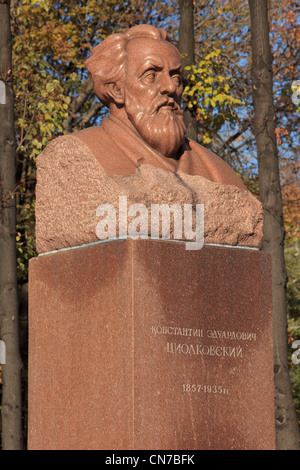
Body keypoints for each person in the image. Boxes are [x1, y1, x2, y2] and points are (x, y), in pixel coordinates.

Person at [72, 24, 245, 189]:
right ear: (116, 90)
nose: (170, 87)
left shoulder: (218, 173)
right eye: (151, 75)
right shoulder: (78, 157)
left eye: (176, 77)